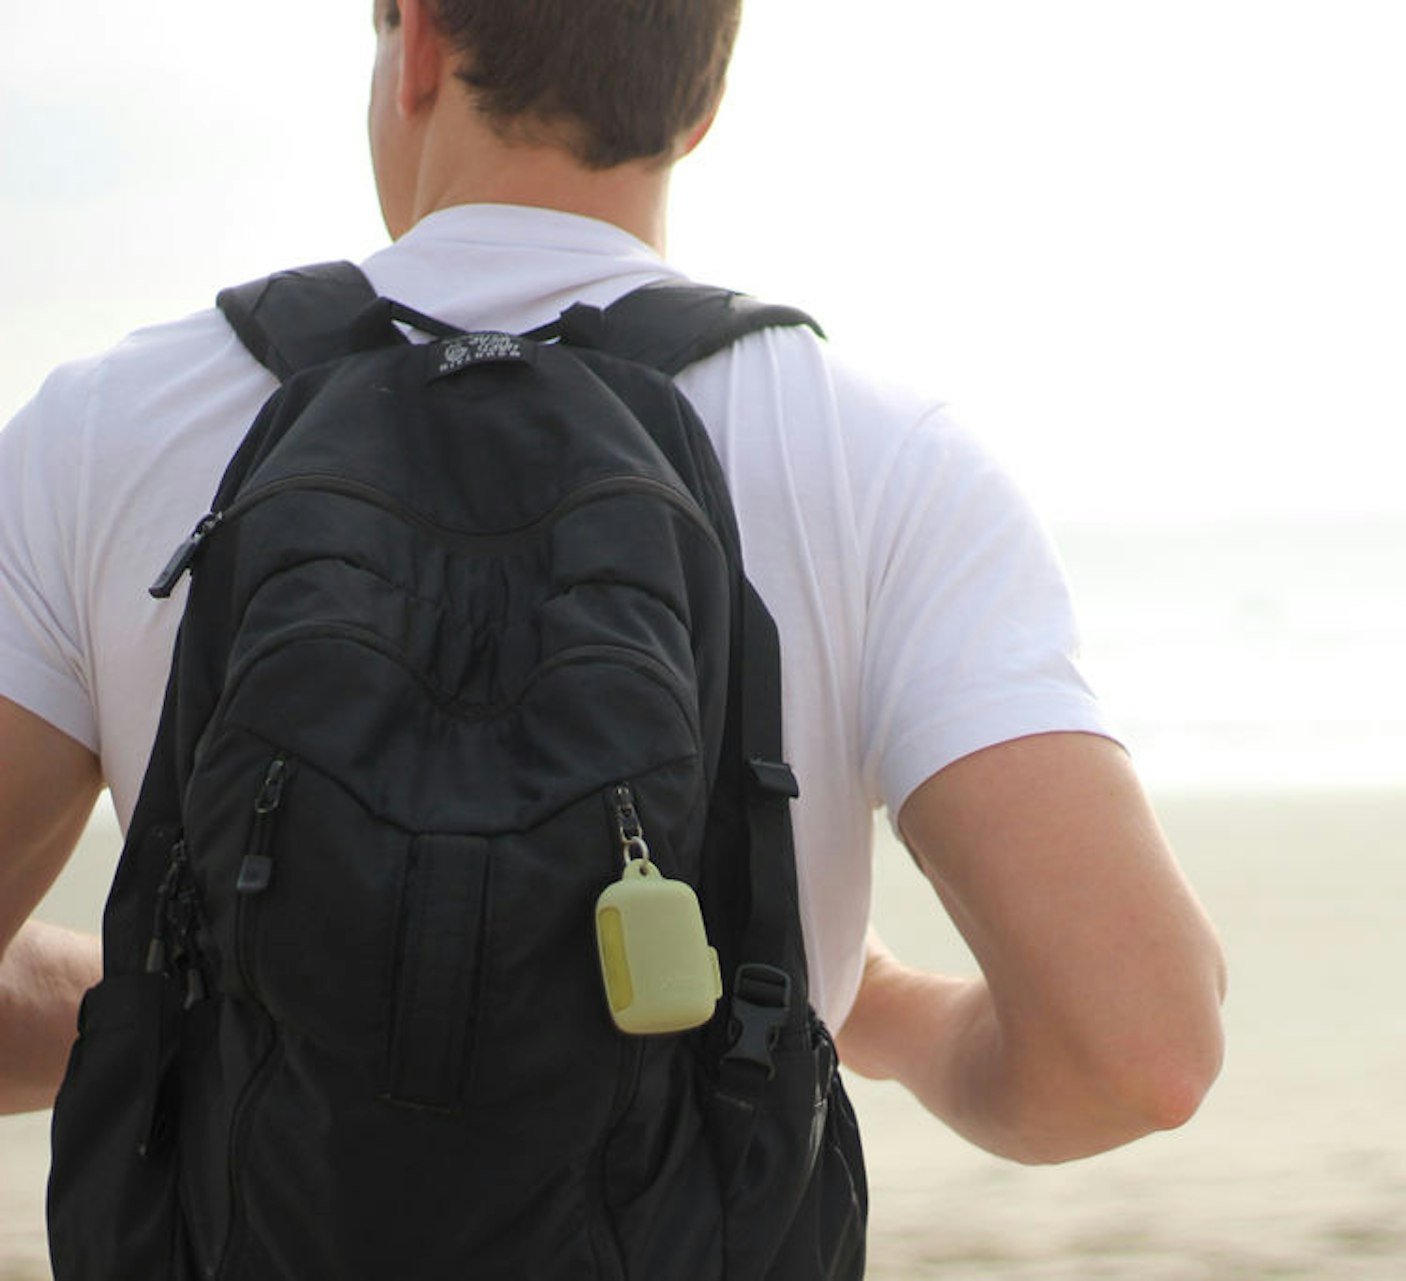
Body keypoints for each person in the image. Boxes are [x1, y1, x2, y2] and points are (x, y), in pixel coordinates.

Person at [0, 0, 1225, 1188]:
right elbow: (1137, 1053)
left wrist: (190, 1021)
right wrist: (891, 1021)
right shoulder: (880, 461)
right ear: (700, 101)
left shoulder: (109, 433)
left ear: (418, 40)